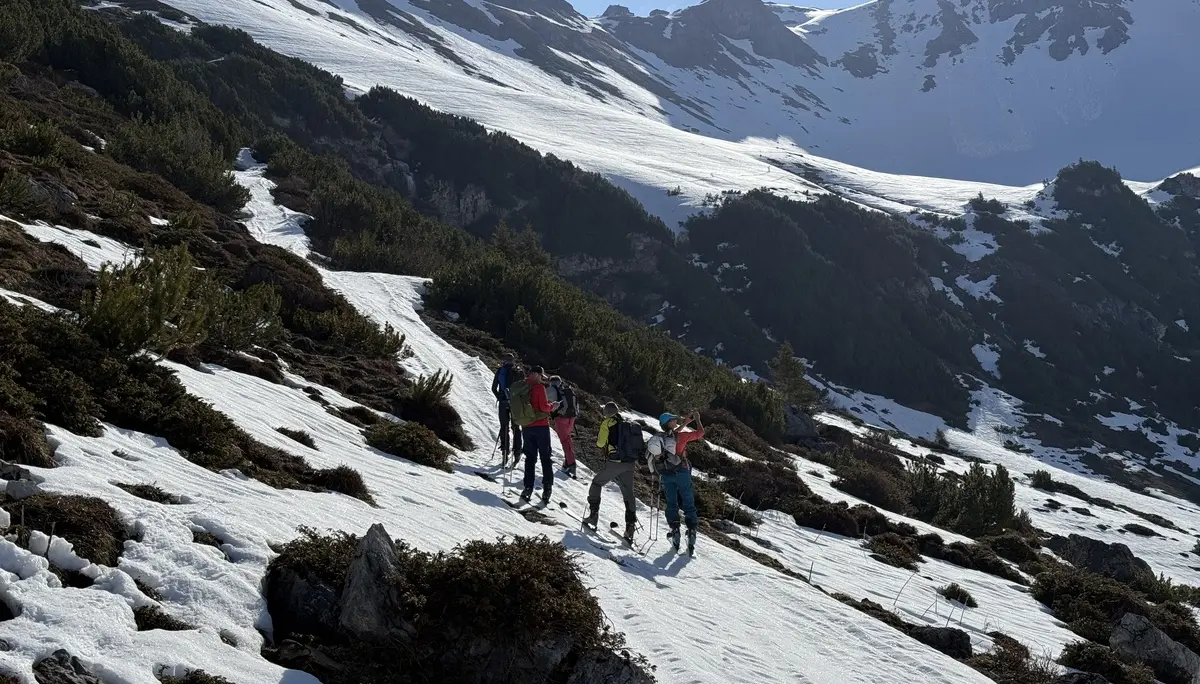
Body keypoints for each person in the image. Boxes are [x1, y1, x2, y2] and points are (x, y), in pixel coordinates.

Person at [647, 411, 705, 555]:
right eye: (674, 420)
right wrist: (697, 420)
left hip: (667, 474)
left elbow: (672, 433)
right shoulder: (681, 436)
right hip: (682, 472)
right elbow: (700, 433)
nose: (676, 422)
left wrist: (685, 423)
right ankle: (691, 531)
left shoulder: (660, 438)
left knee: (672, 503)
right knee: (688, 502)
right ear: (670, 423)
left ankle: (675, 531)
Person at [584, 402, 641, 543]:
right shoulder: (627, 422)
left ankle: (593, 515)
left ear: (606, 413)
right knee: (628, 494)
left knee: (596, 483)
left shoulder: (607, 423)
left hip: (615, 462)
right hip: (629, 463)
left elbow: (600, 443)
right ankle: (630, 528)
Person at [509, 366, 559, 503]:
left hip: (526, 426)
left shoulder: (522, 386)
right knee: (545, 457)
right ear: (537, 374)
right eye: (541, 374)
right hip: (541, 426)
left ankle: (528, 487)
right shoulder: (538, 387)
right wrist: (552, 406)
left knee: (530, 458)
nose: (542, 377)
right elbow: (543, 407)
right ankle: (547, 488)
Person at [491, 353, 522, 466]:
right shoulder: (518, 371)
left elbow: (494, 388)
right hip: (515, 404)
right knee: (516, 427)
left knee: (504, 427)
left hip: (503, 402)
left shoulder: (500, 371)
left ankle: (505, 452)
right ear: (513, 360)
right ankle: (517, 452)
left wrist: (500, 397)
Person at [547, 375, 579, 478]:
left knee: (565, 441)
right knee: (568, 439)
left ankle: (571, 464)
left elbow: (547, 404)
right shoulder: (568, 391)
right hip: (571, 418)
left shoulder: (551, 389)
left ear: (551, 382)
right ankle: (567, 463)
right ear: (560, 381)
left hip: (561, 418)